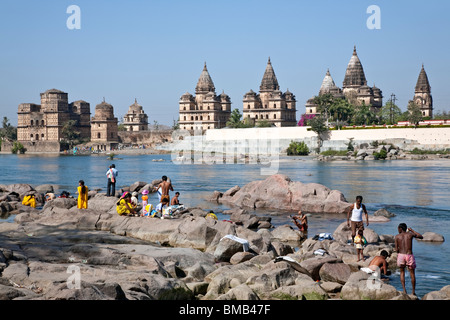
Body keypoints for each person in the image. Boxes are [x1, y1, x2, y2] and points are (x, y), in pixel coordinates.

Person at [395, 223, 423, 295]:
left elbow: (396, 249)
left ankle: (404, 290)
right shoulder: (410, 234)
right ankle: (413, 292)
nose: (398, 230)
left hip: (401, 255)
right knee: (412, 273)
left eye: (398, 228)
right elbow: (421, 236)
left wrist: (399, 251)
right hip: (409, 255)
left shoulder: (397, 236)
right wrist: (412, 230)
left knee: (402, 272)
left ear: (400, 229)